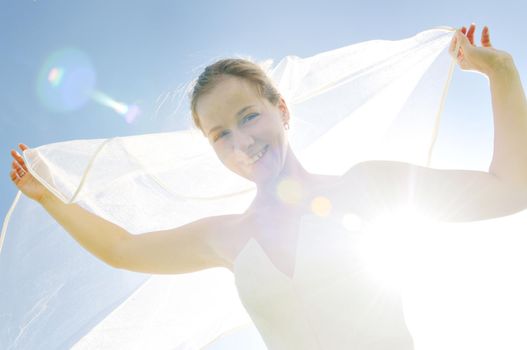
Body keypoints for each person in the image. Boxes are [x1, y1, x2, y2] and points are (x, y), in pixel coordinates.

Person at [8, 24, 527, 349]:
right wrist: (47, 196)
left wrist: (501, 74)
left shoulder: (367, 186)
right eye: (220, 134)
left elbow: (509, 188)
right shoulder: (226, 236)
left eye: (249, 115)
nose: (242, 141)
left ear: (281, 110)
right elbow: (122, 249)